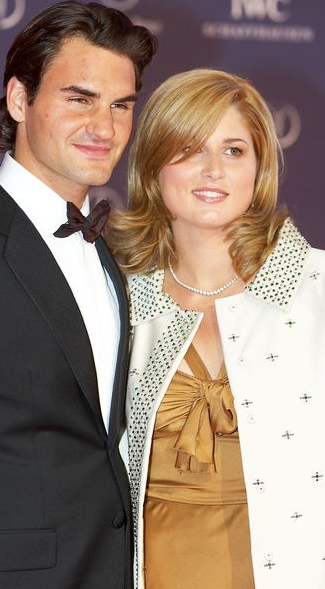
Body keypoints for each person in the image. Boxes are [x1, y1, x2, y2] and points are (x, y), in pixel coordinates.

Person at [0, 0, 156, 588]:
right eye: (80, 99)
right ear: (21, 99)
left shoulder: (112, 255)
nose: (105, 127)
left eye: (121, 105)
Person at [108, 69, 325, 588]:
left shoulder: (315, 286)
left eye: (233, 151)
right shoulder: (113, 297)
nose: (213, 171)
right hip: (151, 570)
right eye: (188, 149)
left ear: (259, 168)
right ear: (154, 165)